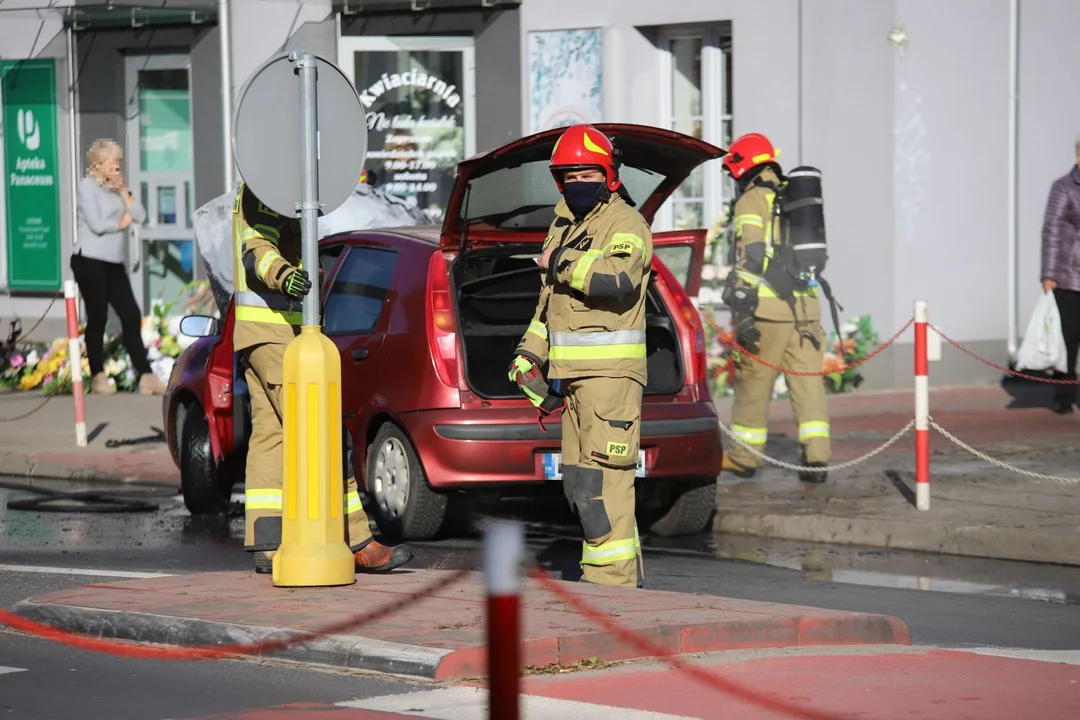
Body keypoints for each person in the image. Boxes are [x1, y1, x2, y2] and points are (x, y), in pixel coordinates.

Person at [232, 180, 413, 574]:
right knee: (323, 432)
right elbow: (257, 253)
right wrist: (286, 276)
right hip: (277, 334)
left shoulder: (275, 188)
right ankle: (355, 541)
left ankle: (265, 544)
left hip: (265, 335)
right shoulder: (267, 189)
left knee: (271, 437)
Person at [510, 124, 651, 588]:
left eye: (587, 173)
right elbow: (547, 304)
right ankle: (605, 576)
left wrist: (559, 261)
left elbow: (617, 280)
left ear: (609, 176)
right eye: (568, 176)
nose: (577, 183)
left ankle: (615, 586)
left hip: (610, 380)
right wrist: (529, 353)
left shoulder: (626, 224)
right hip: (570, 378)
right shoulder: (563, 224)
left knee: (607, 485)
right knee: (578, 486)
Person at [721, 132, 830, 483]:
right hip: (807, 311)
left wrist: (742, 302)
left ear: (742, 167)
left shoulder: (752, 201)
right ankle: (816, 459)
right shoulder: (792, 200)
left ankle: (743, 457)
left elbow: (752, 256)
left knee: (753, 383)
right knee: (808, 385)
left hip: (768, 313)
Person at [73, 139, 167, 396]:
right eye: (114, 162)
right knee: (98, 317)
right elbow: (96, 223)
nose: (117, 166)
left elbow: (141, 215)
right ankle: (98, 375)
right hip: (89, 259)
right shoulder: (87, 187)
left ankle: (146, 376)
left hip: (113, 261)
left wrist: (124, 191)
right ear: (100, 163)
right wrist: (122, 222)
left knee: (131, 314)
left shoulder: (116, 188)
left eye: (118, 162)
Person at [1040, 134, 1080, 415]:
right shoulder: (1063, 188)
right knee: (1068, 338)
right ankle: (1063, 396)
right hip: (1069, 276)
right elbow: (1051, 231)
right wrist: (1048, 273)